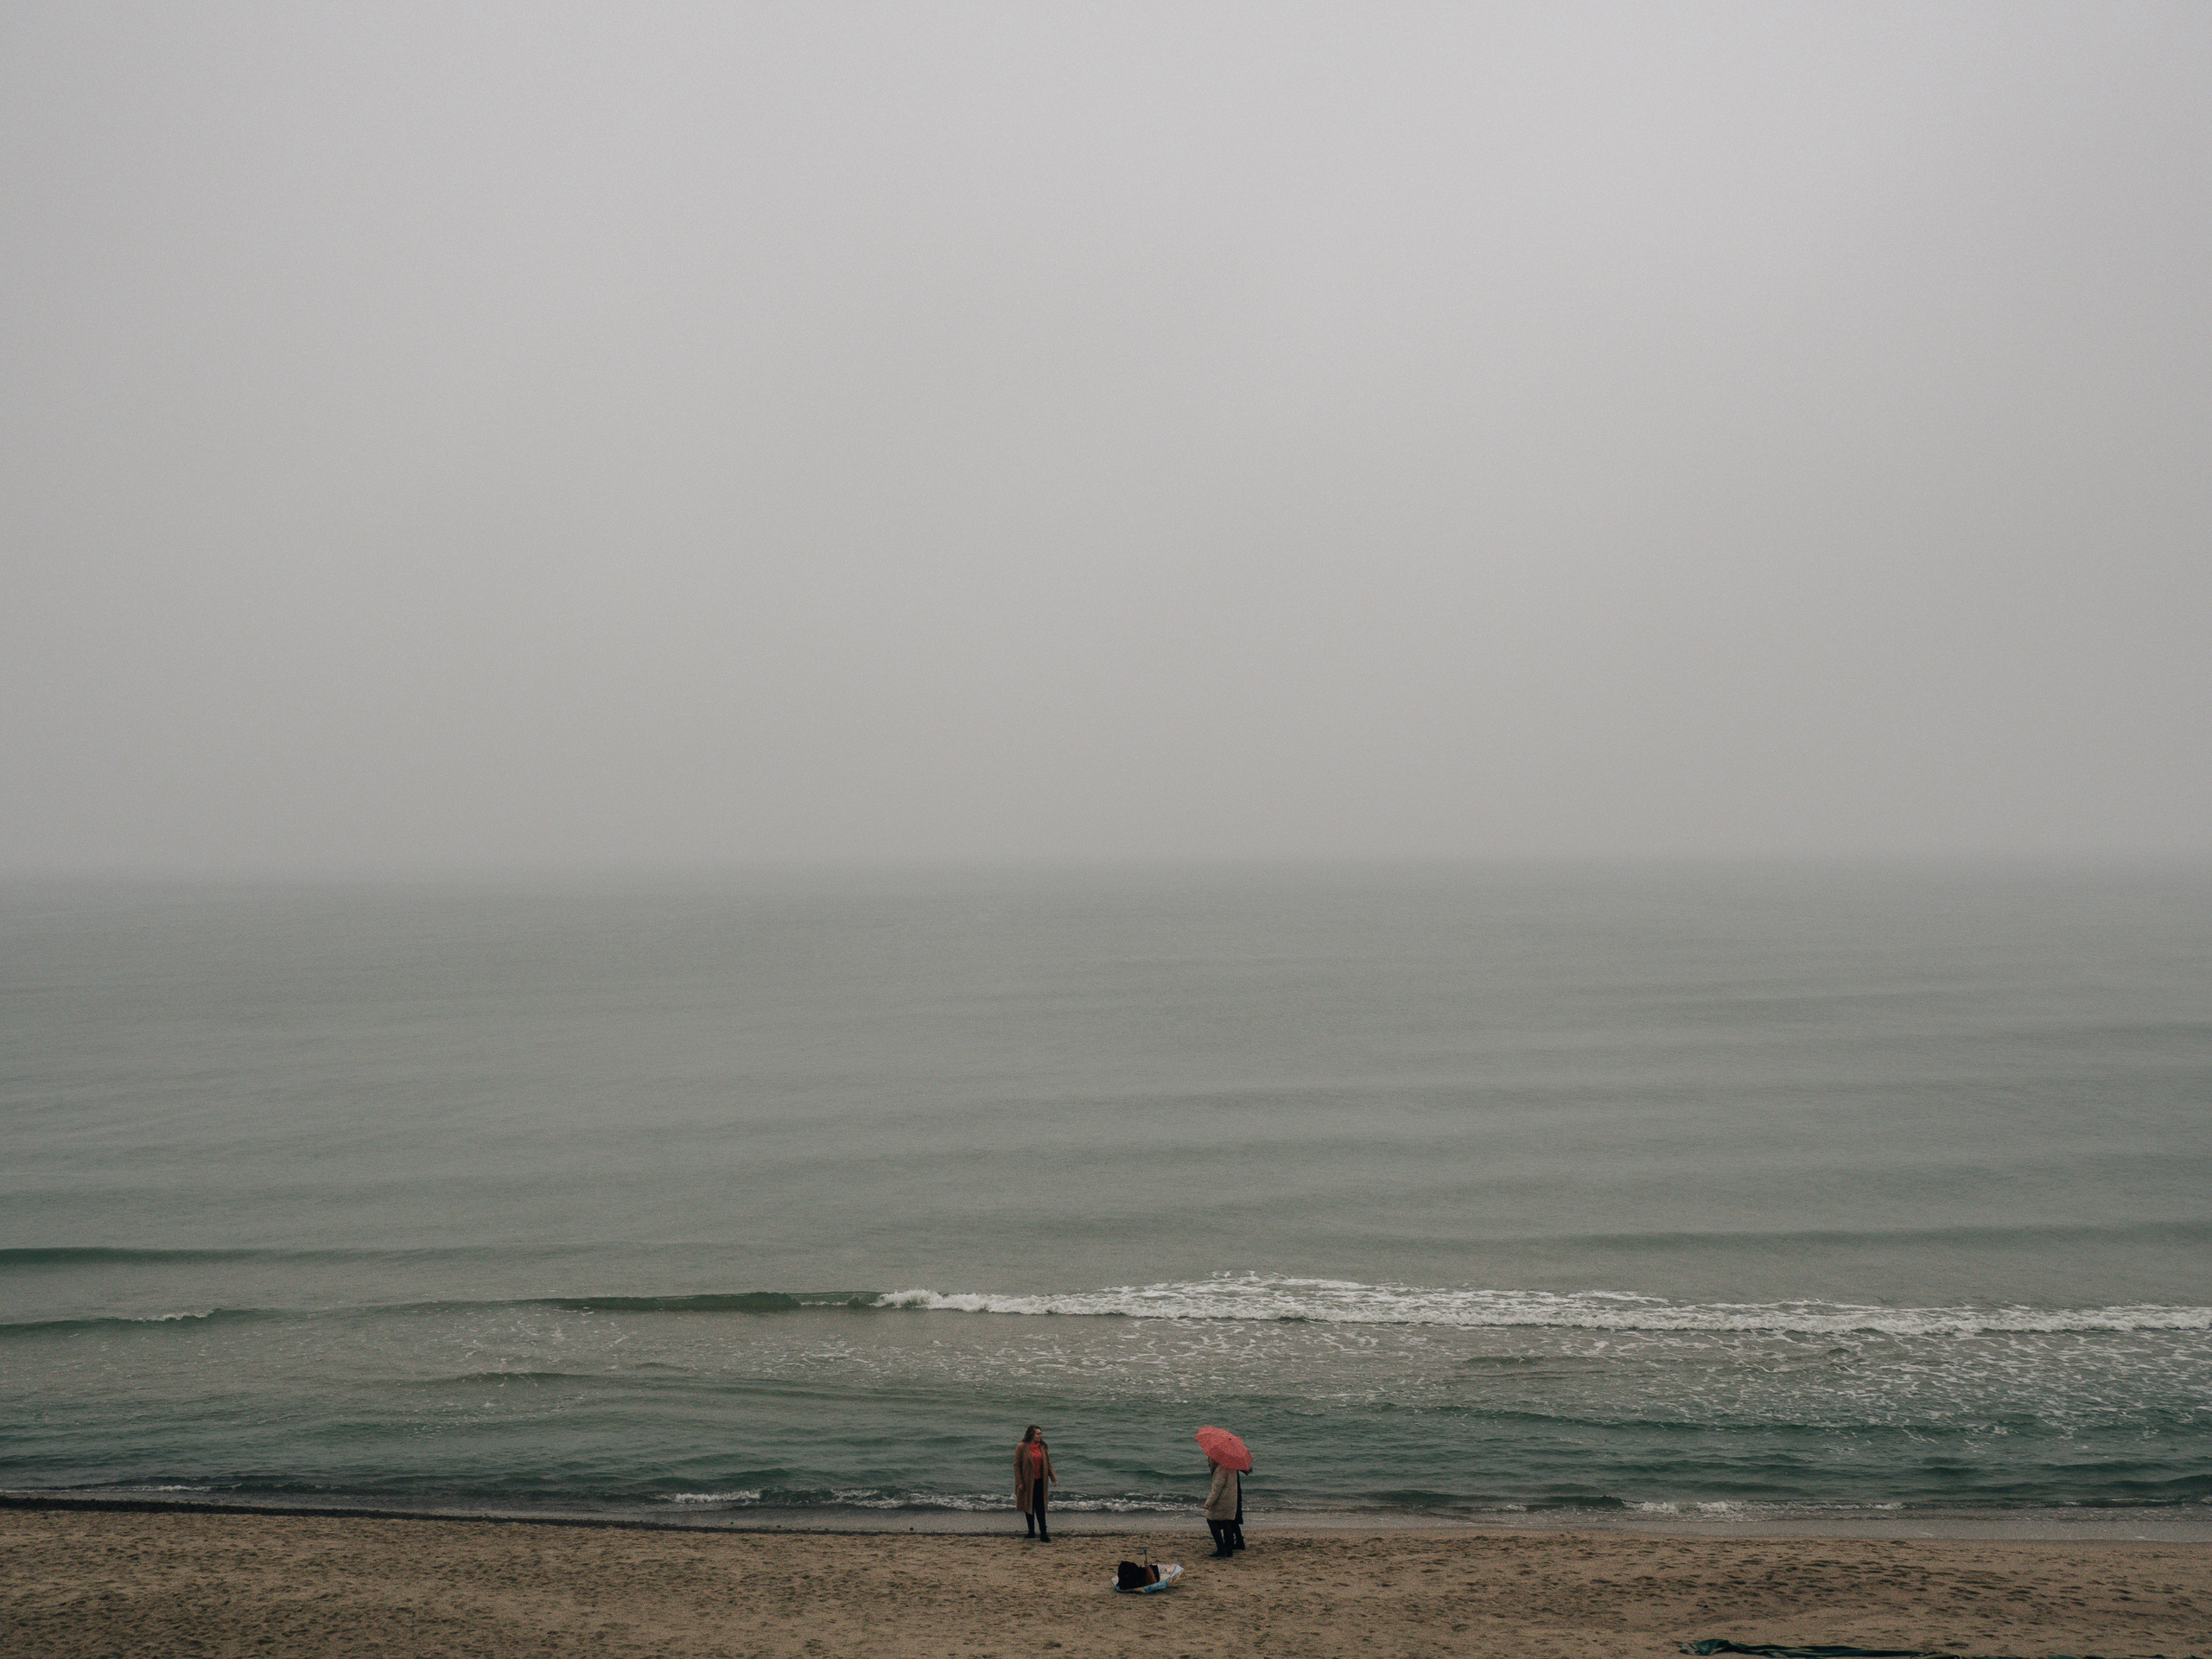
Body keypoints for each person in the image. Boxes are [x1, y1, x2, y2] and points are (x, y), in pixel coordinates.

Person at [1014, 1425, 1056, 1541]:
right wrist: (1019, 1482)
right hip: (1027, 1482)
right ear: (1031, 1434)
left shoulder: (1043, 1447)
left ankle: (1044, 1533)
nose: (1040, 1436)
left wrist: (1053, 1477)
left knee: (1040, 1507)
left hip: (1040, 1481)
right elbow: (1016, 1465)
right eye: (1038, 1434)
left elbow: (1048, 1463)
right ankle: (1031, 1532)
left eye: (1040, 1433)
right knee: (1029, 1506)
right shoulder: (1022, 1447)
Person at [1203, 1456, 1240, 1556]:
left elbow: (1216, 1490)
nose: (1209, 1461)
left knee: (1211, 1519)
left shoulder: (1220, 1470)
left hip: (1222, 1502)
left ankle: (1221, 1548)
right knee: (1226, 1523)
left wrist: (1208, 1503)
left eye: (1209, 1459)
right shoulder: (1231, 1467)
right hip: (1231, 1501)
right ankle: (1229, 1550)